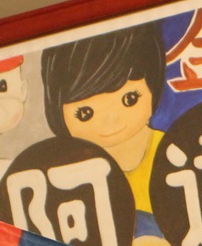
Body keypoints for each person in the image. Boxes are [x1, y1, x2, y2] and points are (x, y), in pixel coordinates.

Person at [40, 23, 166, 212]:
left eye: (130, 99)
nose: (111, 120)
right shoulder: (64, 172)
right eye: (85, 113)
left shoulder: (172, 154)